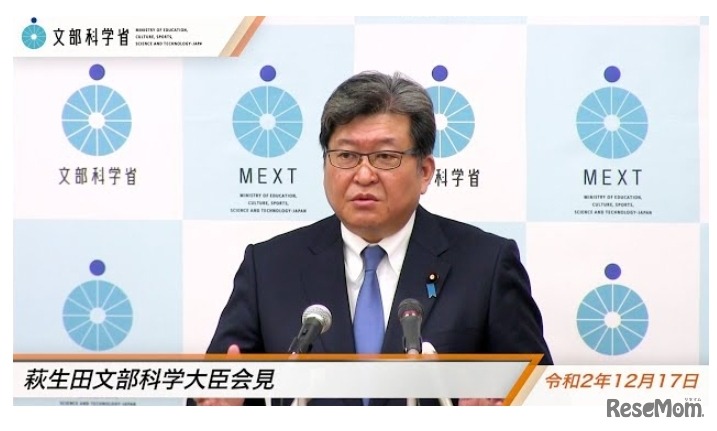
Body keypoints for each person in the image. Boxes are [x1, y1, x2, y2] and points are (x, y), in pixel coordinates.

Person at [195, 71, 552, 406]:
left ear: (424, 171)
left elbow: (543, 402)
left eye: (385, 156)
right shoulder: (269, 267)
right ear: (325, 164)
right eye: (346, 155)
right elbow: (213, 397)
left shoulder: (486, 265)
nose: (363, 175)